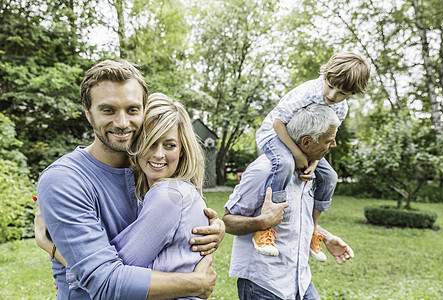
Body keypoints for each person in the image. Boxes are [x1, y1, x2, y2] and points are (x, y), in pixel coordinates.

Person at [35, 60, 224, 299]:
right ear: (88, 113)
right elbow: (103, 282)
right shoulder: (64, 180)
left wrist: (215, 228)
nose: (122, 123)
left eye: (132, 110)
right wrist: (195, 284)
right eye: (108, 110)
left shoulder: (151, 171)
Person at [223, 104, 355, 299]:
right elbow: (227, 221)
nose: (333, 145)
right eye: (329, 140)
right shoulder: (264, 171)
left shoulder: (310, 172)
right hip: (264, 285)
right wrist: (260, 222)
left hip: (301, 282)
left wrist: (324, 236)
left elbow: (295, 219)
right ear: (306, 142)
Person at [254, 52, 370, 259]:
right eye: (330, 85)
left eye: (342, 92)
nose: (333, 95)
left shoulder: (340, 108)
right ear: (325, 74)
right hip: (276, 136)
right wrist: (298, 155)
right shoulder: (308, 93)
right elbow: (278, 123)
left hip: (305, 144)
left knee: (330, 177)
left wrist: (314, 162)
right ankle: (264, 227)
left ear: (352, 94)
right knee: (285, 164)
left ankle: (312, 230)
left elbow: (326, 138)